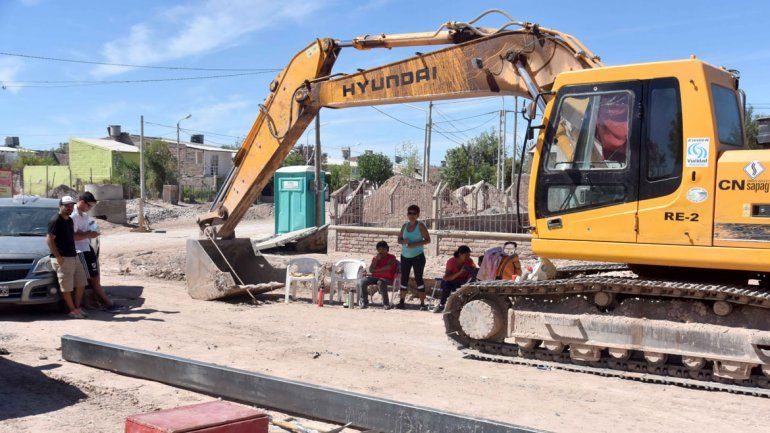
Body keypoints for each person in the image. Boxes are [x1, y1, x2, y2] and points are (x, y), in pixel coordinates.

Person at [72, 192, 124, 313]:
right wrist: (89, 234)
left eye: (91, 207)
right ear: (82, 202)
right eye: (89, 206)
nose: (89, 209)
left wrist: (90, 233)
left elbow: (84, 232)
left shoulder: (84, 216)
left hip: (87, 248)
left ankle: (104, 302)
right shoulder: (73, 216)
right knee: (84, 281)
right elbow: (73, 236)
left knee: (95, 278)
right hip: (79, 251)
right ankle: (78, 307)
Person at [47, 196, 88, 319]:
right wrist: (58, 257)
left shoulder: (69, 220)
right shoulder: (55, 220)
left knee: (81, 282)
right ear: (60, 206)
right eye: (67, 205)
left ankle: (77, 307)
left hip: (73, 256)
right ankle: (72, 310)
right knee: (66, 287)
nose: (69, 208)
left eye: (71, 205)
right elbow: (49, 240)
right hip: (63, 258)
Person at [396, 204, 431, 310]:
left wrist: (415, 244)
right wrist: (403, 241)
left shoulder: (420, 226)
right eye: (409, 213)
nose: (411, 215)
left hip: (418, 257)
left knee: (418, 278)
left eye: (414, 213)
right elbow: (399, 240)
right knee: (404, 279)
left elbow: (428, 240)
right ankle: (401, 302)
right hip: (405, 256)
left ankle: (422, 304)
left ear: (418, 215)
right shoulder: (404, 226)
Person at [433, 245, 477, 313]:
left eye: (469, 256)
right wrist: (460, 272)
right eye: (466, 256)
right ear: (460, 254)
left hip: (462, 282)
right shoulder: (451, 262)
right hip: (451, 282)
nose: (468, 257)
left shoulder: (469, 261)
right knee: (446, 284)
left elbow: (475, 271)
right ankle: (442, 305)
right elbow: (446, 277)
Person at [357, 241, 397, 310]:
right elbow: (371, 269)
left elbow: (388, 267)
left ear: (387, 249)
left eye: (383, 249)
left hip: (387, 278)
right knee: (363, 281)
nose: (381, 252)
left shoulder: (392, 257)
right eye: (379, 250)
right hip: (375, 277)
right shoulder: (375, 258)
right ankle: (364, 302)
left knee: (381, 282)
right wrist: (376, 260)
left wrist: (376, 271)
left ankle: (386, 303)